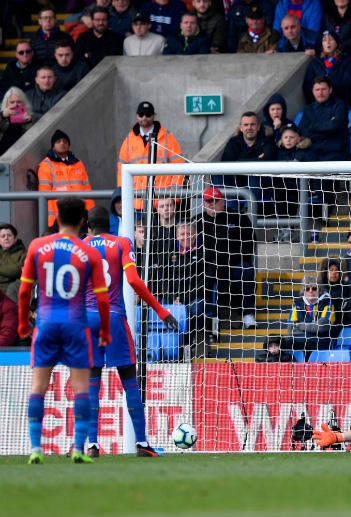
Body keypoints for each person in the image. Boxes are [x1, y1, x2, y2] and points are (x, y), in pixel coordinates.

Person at [18, 197, 111, 464]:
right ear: (83, 222)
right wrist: (104, 330)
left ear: (57, 219)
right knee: (81, 388)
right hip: (76, 326)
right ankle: (78, 448)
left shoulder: (38, 245)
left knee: (38, 387)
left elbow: (25, 291)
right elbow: (102, 298)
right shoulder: (89, 252)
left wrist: (24, 323)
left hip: (45, 324)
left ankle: (36, 448)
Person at [83, 207, 178, 458]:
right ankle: (143, 444)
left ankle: (92, 444)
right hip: (113, 319)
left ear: (88, 227)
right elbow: (134, 281)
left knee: (92, 383)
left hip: (86, 320)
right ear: (111, 224)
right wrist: (160, 310)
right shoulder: (121, 243)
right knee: (130, 384)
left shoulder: (78, 247)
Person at [199, 187, 257, 329]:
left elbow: (250, 244)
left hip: (234, 264)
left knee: (246, 270)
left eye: (216, 200)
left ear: (222, 201)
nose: (212, 204)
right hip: (209, 265)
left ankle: (247, 314)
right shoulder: (198, 221)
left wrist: (228, 259)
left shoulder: (238, 217)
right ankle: (206, 319)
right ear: (204, 203)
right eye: (209, 201)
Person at [117, 101, 185, 211]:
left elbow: (179, 166)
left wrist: (174, 197)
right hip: (136, 201)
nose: (144, 117)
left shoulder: (167, 137)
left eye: (148, 114)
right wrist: (121, 195)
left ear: (154, 115)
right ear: (137, 115)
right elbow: (121, 170)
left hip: (162, 202)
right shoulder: (129, 139)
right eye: (141, 114)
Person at [37, 129, 95, 229]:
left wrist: (91, 215)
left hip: (80, 214)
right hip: (59, 217)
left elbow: (87, 189)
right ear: (53, 145)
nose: (62, 143)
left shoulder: (78, 163)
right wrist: (51, 222)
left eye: (65, 141)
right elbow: (44, 194)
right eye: (58, 141)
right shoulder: (46, 165)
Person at [299, 76, 350, 162]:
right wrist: (328, 125)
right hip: (313, 152)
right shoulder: (309, 108)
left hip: (336, 152)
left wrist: (312, 127)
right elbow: (302, 130)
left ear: (330, 90)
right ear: (313, 91)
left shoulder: (340, 105)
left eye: (323, 89)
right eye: (317, 90)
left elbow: (335, 126)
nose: (320, 93)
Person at [302, 30, 351, 103]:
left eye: (331, 39)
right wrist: (320, 92)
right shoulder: (315, 63)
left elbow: (350, 82)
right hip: (319, 103)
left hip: (340, 101)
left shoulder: (347, 60)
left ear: (337, 42)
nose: (328, 42)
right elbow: (307, 85)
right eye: (324, 40)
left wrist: (329, 89)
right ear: (321, 44)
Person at [286, 274, 336, 355]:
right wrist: (313, 328)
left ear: (320, 291)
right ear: (304, 291)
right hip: (303, 341)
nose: (310, 291)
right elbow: (290, 329)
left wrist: (300, 326)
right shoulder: (297, 304)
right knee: (282, 342)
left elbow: (323, 326)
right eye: (307, 288)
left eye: (314, 288)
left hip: (322, 342)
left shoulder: (327, 304)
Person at [0, 87, 35, 155]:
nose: (15, 105)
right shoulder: (2, 115)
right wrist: (2, 115)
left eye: (18, 102)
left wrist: (29, 122)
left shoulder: (31, 117)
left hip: (20, 154)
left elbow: (32, 139)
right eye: (12, 102)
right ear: (7, 104)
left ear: (23, 103)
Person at [0, 223, 26, 303]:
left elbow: (19, 271)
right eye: (3, 236)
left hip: (14, 296)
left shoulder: (23, 253)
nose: (6, 238)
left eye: (9, 235)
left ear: (15, 238)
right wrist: (10, 273)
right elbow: (15, 271)